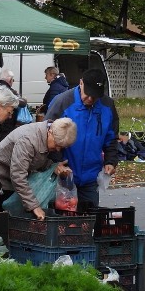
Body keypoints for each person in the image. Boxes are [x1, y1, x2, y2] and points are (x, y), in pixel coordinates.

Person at [45, 68, 120, 211]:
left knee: (89, 221)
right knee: (64, 222)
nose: (91, 99)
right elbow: (46, 135)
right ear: (81, 83)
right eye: (88, 94)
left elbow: (111, 138)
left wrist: (110, 161)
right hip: (64, 175)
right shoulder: (62, 102)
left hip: (91, 177)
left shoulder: (107, 105)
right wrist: (55, 163)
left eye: (95, 96)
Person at [0, 118, 77, 220]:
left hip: (13, 183)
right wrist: (34, 206)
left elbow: (36, 160)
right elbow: (18, 176)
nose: (58, 149)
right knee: (3, 224)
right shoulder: (27, 140)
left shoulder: (45, 136)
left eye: (61, 147)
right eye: (57, 145)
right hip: (0, 184)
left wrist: (53, 167)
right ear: (50, 132)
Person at [0, 68, 26, 138]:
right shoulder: (10, 92)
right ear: (10, 80)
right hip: (7, 126)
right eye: (13, 80)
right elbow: (23, 103)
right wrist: (20, 97)